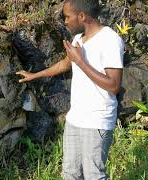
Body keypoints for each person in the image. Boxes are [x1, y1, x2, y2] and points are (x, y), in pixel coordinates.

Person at [16, 0, 124, 179]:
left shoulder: (110, 40)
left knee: (93, 176)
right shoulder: (78, 40)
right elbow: (65, 64)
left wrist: (80, 61)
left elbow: (113, 85)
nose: (65, 21)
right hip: (75, 120)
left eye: (67, 17)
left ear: (81, 16)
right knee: (70, 174)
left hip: (96, 121)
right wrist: (34, 75)